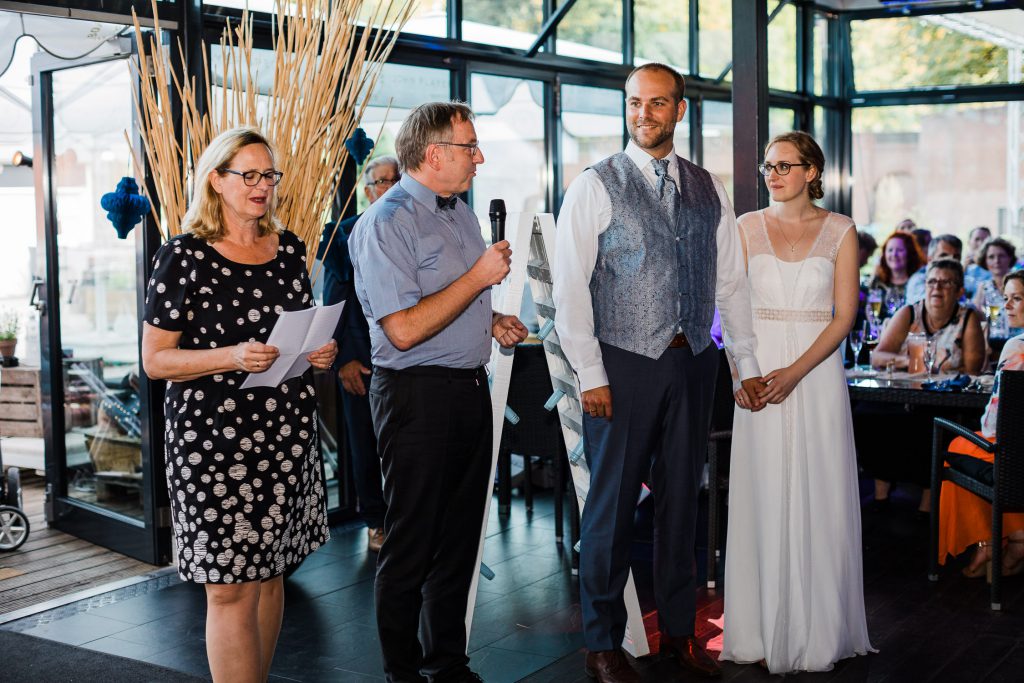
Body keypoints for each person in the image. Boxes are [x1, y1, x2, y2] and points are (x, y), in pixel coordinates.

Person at [553, 62, 764, 683]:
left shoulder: (707, 187)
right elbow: (569, 291)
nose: (643, 113)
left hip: (694, 361)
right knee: (610, 509)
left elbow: (732, 283)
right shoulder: (595, 184)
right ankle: (600, 643)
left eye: (657, 103)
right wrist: (589, 372)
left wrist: (742, 362)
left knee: (682, 503)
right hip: (620, 365)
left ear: (680, 111)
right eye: (635, 103)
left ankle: (678, 633)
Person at [141, 127, 334, 682]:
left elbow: (297, 327)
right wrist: (231, 355)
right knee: (227, 588)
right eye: (247, 175)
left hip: (286, 432)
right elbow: (156, 360)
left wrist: (319, 350)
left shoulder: (290, 247)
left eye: (268, 175)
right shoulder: (183, 255)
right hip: (212, 443)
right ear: (215, 181)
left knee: (271, 574)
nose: (262, 186)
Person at [348, 101, 528, 683]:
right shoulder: (385, 222)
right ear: (434, 154)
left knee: (458, 544)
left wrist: (491, 317)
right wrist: (478, 279)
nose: (479, 157)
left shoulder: (462, 216)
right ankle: (402, 673)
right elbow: (401, 330)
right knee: (411, 547)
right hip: (415, 397)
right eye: (469, 147)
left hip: (468, 390)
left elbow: (449, 300)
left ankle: (448, 665)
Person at [720, 131, 874, 674]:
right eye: (768, 166)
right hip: (758, 373)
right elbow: (729, 309)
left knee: (819, 488)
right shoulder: (744, 227)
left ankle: (819, 629)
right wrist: (747, 371)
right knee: (762, 490)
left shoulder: (841, 231)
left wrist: (797, 373)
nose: (773, 174)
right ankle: (759, 629)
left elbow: (844, 317)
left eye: (785, 165)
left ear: (812, 171)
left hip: (815, 374)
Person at [316, 155, 400, 552]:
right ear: (368, 191)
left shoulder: (412, 230)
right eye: (381, 181)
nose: (388, 186)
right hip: (362, 359)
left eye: (395, 179)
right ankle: (375, 521)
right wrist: (344, 359)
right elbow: (334, 300)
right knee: (366, 446)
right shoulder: (344, 235)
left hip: (410, 360)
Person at [864, 259, 985, 514]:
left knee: (927, 425)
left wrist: (942, 373)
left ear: (959, 291)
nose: (937, 288)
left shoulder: (967, 318)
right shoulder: (909, 313)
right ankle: (880, 496)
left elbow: (972, 370)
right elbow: (877, 357)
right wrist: (909, 360)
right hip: (905, 394)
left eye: (946, 282)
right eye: (932, 281)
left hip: (946, 399)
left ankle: (927, 505)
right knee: (867, 415)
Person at [939, 270, 1024, 578]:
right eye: (1007, 299)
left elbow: (994, 425)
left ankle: (989, 542)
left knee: (958, 444)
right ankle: (1013, 537)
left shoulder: (1017, 346)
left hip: (1015, 459)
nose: (1009, 306)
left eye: (1017, 298)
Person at [865, 231, 924, 323]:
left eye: (899, 250)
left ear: (910, 254)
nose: (894, 254)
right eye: (890, 250)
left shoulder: (918, 283)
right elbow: (871, 315)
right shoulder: (878, 283)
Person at [972, 237, 1017, 339]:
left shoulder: (1019, 283)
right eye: (991, 257)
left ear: (1010, 257)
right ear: (985, 261)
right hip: (993, 343)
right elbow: (977, 317)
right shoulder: (984, 288)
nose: (997, 261)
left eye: (1001, 256)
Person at [905, 234, 962, 305]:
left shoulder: (966, 277)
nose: (950, 261)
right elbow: (935, 306)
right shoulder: (918, 280)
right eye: (944, 256)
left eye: (956, 257)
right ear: (930, 259)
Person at [963, 226, 993, 297]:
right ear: (969, 242)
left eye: (985, 240)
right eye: (977, 239)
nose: (981, 243)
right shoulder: (960, 265)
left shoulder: (996, 266)